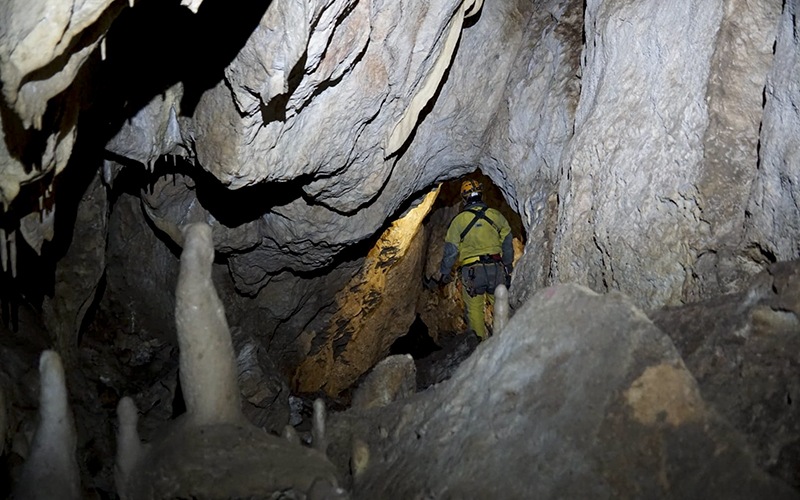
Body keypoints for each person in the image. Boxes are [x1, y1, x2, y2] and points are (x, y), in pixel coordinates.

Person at [436, 179, 513, 341]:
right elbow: (507, 240)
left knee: (475, 313)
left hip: (473, 273)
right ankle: (510, 344)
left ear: (464, 198)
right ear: (481, 195)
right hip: (496, 268)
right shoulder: (495, 216)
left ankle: (478, 349)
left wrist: (445, 273)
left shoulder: (458, 222)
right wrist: (508, 264)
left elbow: (450, 251)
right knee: (502, 306)